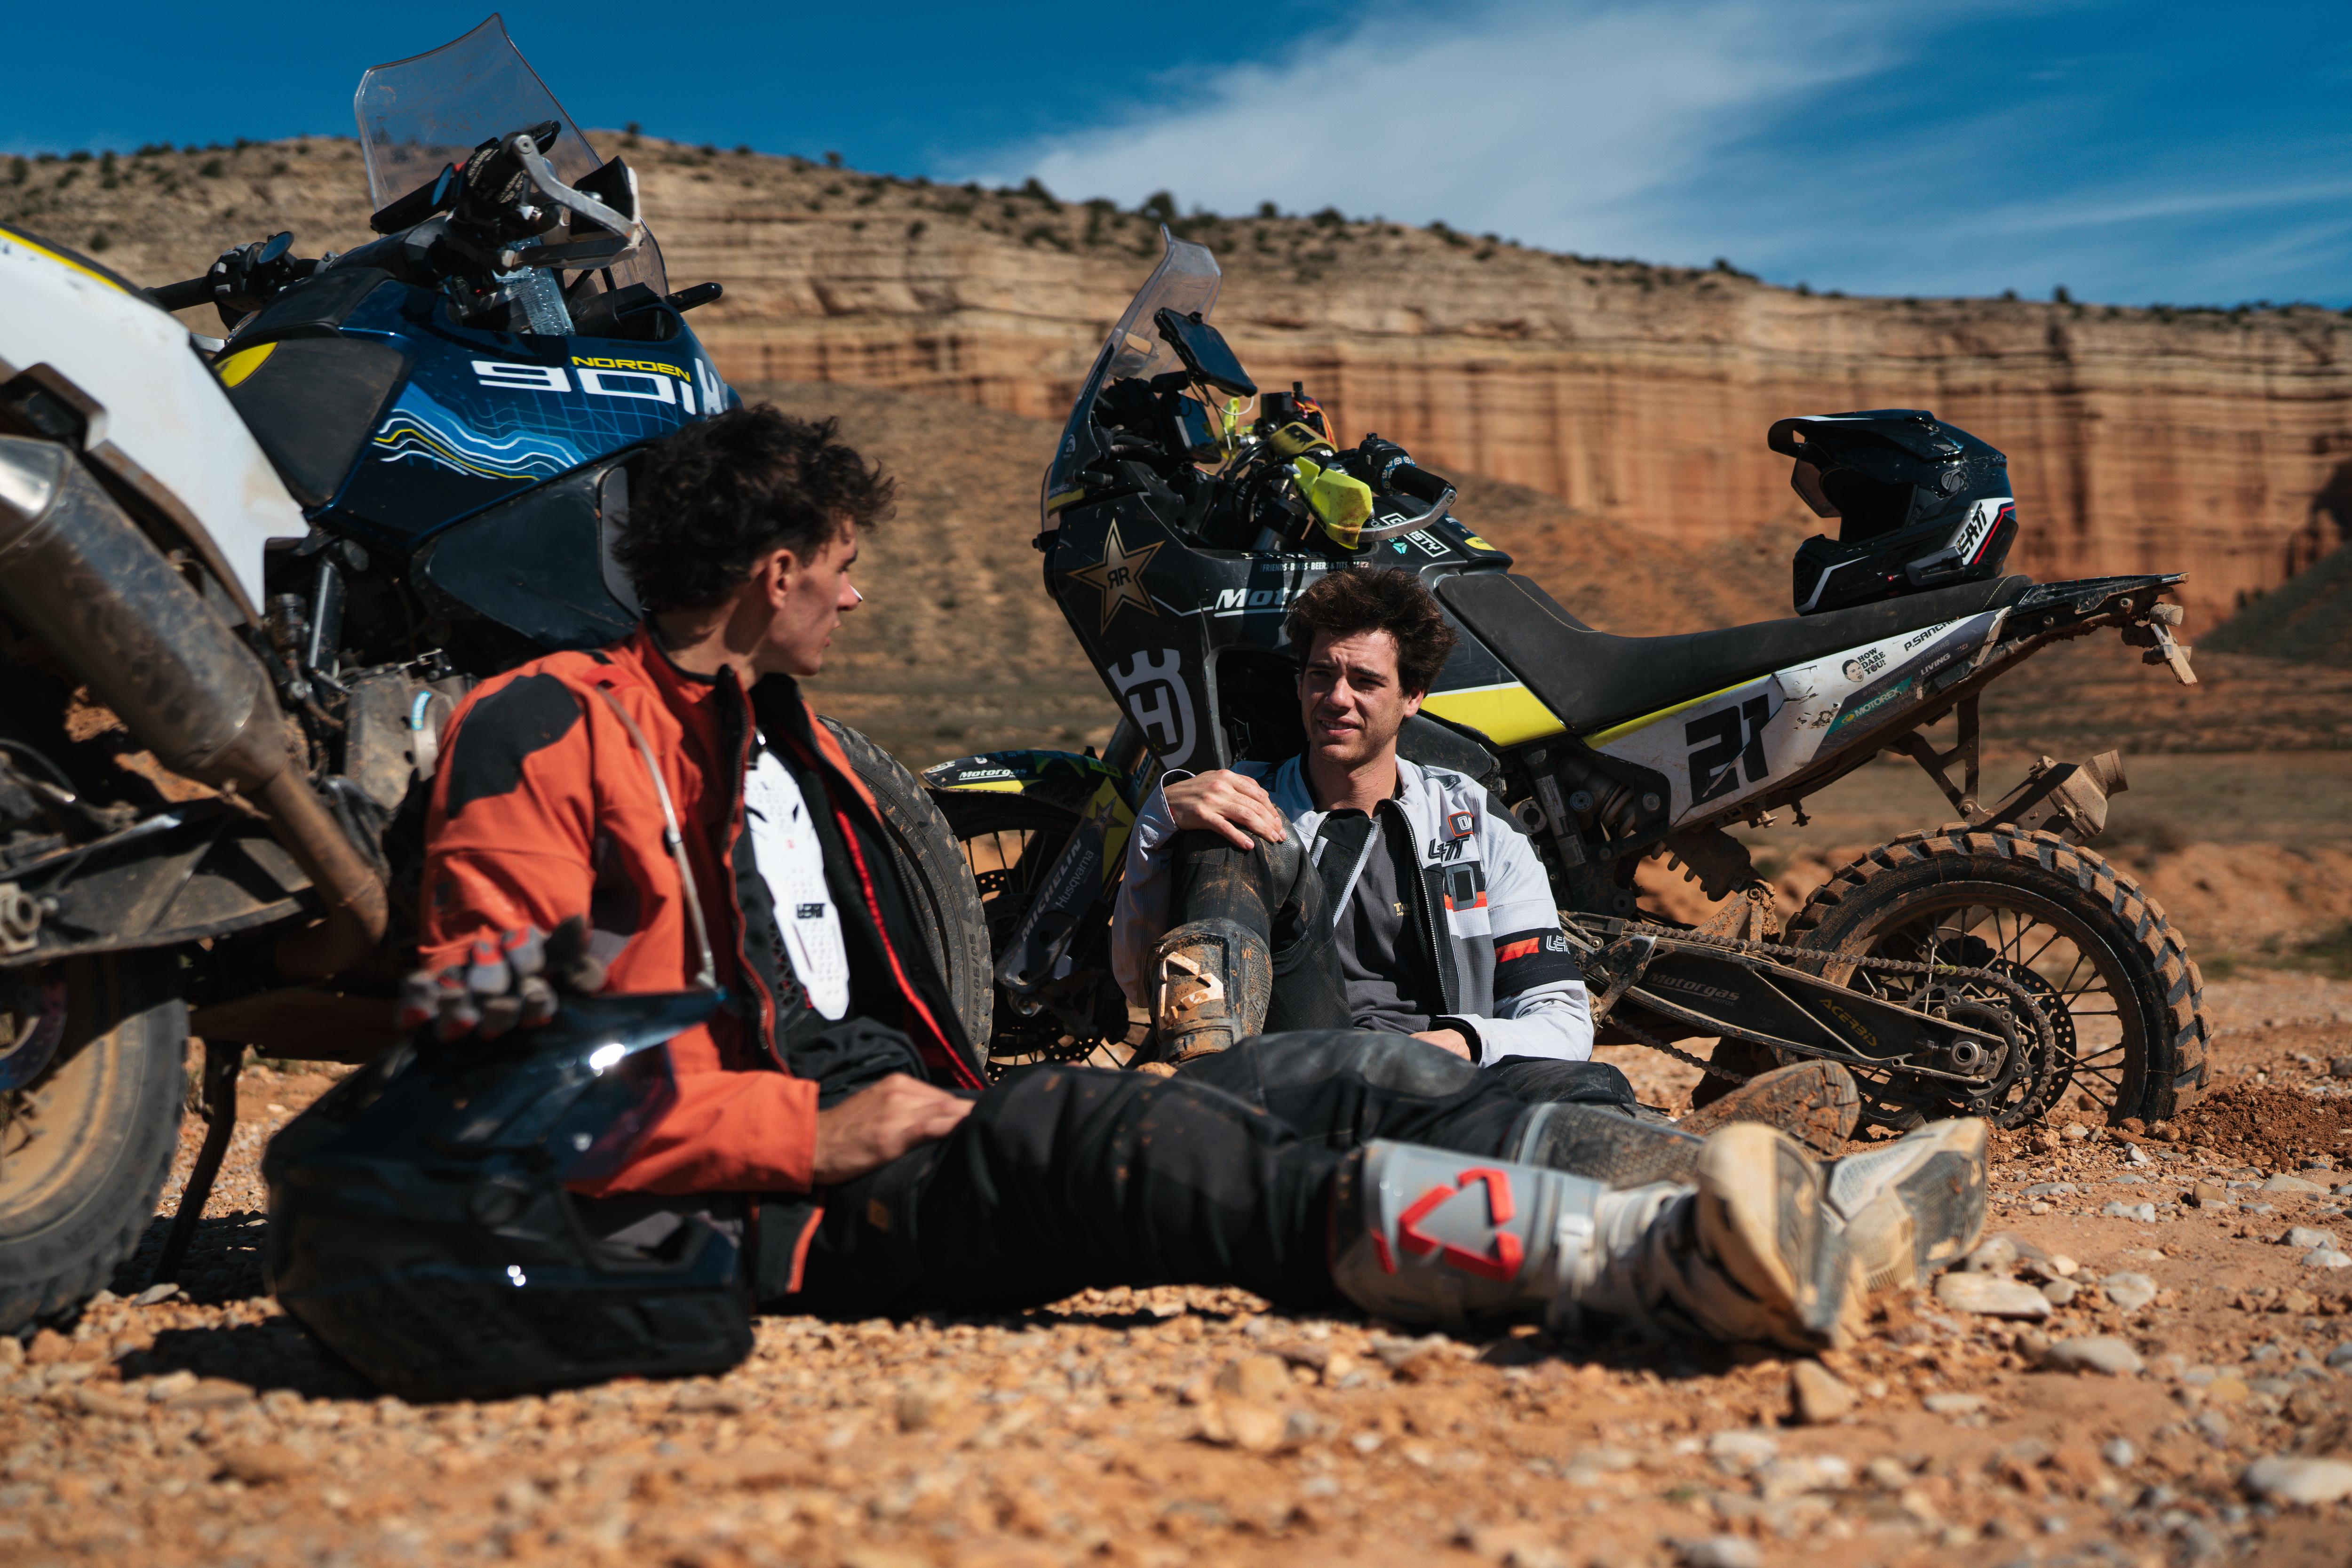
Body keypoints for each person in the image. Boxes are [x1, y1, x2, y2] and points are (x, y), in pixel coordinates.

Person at [406, 405, 1985, 1363]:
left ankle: (1711, 1180)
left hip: (871, 1114)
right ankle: (1645, 1262)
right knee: (1149, 1141)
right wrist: (806, 1130)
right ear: (771, 574)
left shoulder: (790, 742)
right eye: (839, 559)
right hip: (766, 1199)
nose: (858, 584)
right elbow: (502, 1068)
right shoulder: (544, 727)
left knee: (1353, 1093)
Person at [1110, 567, 1860, 1152]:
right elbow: (1133, 973)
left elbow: (1563, 1021)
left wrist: (1463, 1041)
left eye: (1365, 680)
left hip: (1436, 1076)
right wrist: (1160, 820)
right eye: (1318, 674)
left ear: (1414, 697)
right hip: (1291, 1068)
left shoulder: (1474, 826)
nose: (1335, 698)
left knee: (1587, 1083)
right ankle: (1203, 1097)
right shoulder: (1254, 802)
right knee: (1228, 824)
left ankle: (1691, 1156)